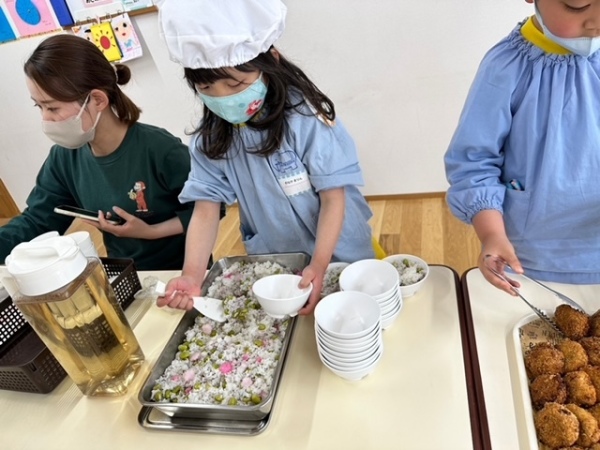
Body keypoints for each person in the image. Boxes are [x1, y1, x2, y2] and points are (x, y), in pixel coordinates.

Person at [156, 0, 380, 314]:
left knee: (354, 313)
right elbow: (206, 209)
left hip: (339, 250)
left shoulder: (304, 117)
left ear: (270, 61)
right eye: (206, 86)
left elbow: (333, 197)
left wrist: (318, 263)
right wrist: (192, 275)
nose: (224, 97)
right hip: (278, 258)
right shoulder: (212, 138)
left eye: (235, 83)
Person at [0, 33, 197, 271]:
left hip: (183, 272)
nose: (45, 118)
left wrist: (151, 232)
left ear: (97, 100)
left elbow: (209, 210)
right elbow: (37, 220)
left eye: (52, 107)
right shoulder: (64, 158)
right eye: (38, 106)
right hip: (125, 273)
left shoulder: (160, 150)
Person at [444, 0, 600, 294]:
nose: (596, 22)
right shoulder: (506, 68)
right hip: (531, 260)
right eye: (577, 6)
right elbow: (473, 163)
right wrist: (491, 234)